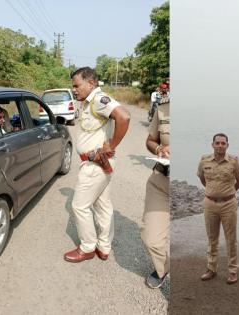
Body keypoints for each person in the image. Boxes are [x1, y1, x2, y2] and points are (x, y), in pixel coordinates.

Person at [64, 67, 130, 263]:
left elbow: (124, 116)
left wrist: (111, 145)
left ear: (90, 83)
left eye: (77, 85)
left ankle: (87, 247)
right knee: (102, 205)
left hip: (95, 164)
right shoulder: (87, 103)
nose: (74, 89)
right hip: (98, 164)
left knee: (79, 206)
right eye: (72, 86)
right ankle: (104, 246)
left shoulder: (99, 100)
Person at [197, 133, 239, 284]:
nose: (220, 146)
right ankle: (211, 268)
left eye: (223, 143)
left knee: (231, 239)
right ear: (212, 145)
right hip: (210, 203)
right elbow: (202, 178)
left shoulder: (233, 162)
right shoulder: (204, 161)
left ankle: (232, 271)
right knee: (212, 238)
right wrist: (212, 192)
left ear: (227, 146)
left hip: (228, 204)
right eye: (217, 143)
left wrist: (228, 192)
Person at [141, 92, 170, 289]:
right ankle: (164, 268)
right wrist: (160, 149)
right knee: (150, 239)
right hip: (162, 181)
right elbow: (150, 140)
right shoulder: (164, 108)